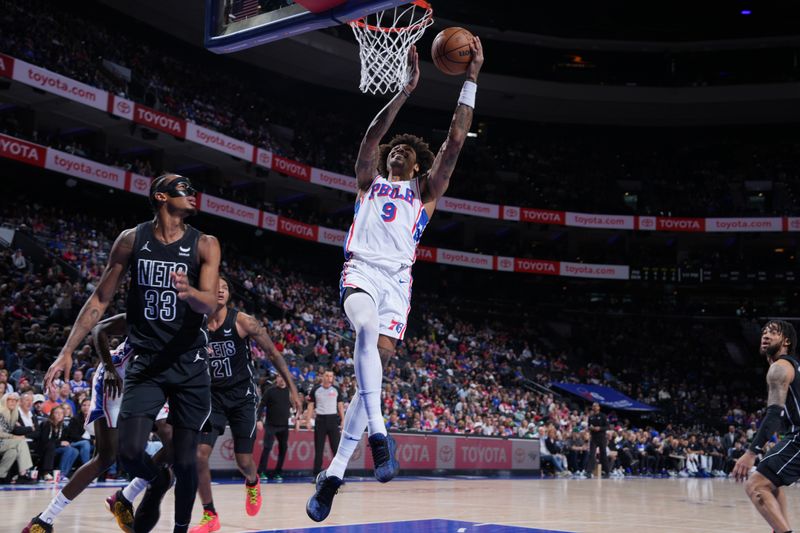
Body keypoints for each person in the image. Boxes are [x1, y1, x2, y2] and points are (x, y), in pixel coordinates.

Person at [306, 37, 484, 522]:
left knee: (377, 366)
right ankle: (380, 434)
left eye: (406, 150)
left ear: (418, 165)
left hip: (399, 285)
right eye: (394, 150)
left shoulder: (426, 192)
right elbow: (369, 138)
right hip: (361, 270)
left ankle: (335, 474)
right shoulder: (369, 181)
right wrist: (405, 90)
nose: (396, 152)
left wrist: (470, 79)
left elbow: (453, 142)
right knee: (365, 331)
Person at [41, 173, 220, 533]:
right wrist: (67, 352)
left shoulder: (205, 244)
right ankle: (143, 485)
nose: (194, 195)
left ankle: (165, 515)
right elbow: (100, 301)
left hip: (186, 362)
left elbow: (210, 302)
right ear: (161, 197)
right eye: (185, 190)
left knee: (182, 456)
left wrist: (190, 294)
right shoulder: (131, 240)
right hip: (144, 362)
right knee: (125, 453)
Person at [22, 314, 173, 533]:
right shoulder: (147, 312)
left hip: (149, 384)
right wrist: (110, 368)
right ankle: (44, 520)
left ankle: (124, 497)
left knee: (175, 439)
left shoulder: (191, 327)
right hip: (117, 379)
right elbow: (99, 329)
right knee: (106, 456)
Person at [189, 276, 301, 533]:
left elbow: (273, 353)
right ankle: (210, 514)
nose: (220, 291)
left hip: (242, 399)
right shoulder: (198, 324)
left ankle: (252, 482)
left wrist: (293, 388)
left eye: (225, 288)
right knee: (199, 456)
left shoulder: (243, 322)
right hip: (212, 398)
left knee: (244, 462)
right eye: (215, 288)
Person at [733, 320, 799, 533]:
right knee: (770, 480)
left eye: (773, 332)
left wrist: (751, 452)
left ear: (786, 341)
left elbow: (774, 414)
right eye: (764, 332)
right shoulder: (792, 365)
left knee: (755, 485)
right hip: (794, 434)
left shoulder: (779, 368)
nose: (766, 335)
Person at [307, 370, 345, 478]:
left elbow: (340, 406)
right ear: (323, 377)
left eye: (331, 376)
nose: (329, 378)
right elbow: (310, 406)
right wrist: (308, 420)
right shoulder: (316, 389)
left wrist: (343, 420)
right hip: (320, 421)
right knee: (319, 449)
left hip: (333, 420)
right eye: (327, 376)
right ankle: (316, 475)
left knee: (336, 449)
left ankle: (338, 475)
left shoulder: (336, 389)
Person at [257, 374, 294, 482]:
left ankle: (278, 472)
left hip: (284, 426)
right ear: (276, 379)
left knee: (283, 449)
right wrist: (258, 419)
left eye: (284, 377)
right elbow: (261, 405)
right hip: (271, 425)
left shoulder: (289, 392)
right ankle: (261, 472)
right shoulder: (270, 391)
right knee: (267, 448)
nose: (282, 379)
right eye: (280, 377)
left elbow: (296, 405)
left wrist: (297, 417)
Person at [0, 391, 34, 484]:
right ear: (4, 401)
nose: (13, 402)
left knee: (13, 452)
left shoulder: (13, 415)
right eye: (10, 400)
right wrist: (13, 436)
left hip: (4, 443)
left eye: (15, 400)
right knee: (21, 442)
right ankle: (23, 474)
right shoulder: (1, 413)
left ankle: (1, 475)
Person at [586, 402, 609, 478]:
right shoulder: (591, 417)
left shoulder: (603, 416)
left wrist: (600, 428)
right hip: (594, 437)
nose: (594, 407)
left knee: (603, 455)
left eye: (596, 406)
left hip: (602, 437)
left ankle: (607, 472)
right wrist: (591, 428)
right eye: (593, 406)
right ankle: (589, 472)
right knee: (591, 454)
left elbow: (606, 427)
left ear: (599, 407)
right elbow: (588, 426)